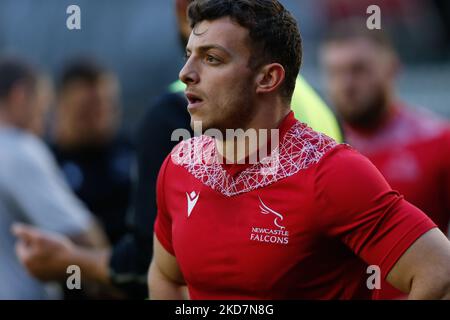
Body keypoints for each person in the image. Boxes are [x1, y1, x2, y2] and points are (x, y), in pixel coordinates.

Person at [11, 0, 345, 300]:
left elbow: (145, 267)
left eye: (210, 57)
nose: (187, 74)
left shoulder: (175, 113)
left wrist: (71, 261)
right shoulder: (313, 102)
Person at [148, 0, 450, 299]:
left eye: (212, 58)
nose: (186, 73)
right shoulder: (179, 165)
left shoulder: (333, 172)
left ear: (268, 78)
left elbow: (439, 271)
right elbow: (164, 274)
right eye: (189, 56)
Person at [319, 20, 450, 299]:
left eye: (359, 70)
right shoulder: (317, 151)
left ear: (392, 69)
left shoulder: (438, 143)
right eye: (335, 72)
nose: (346, 84)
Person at [0, 57, 107, 299]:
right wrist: (119, 281)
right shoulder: (19, 149)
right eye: (43, 104)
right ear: (20, 96)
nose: (46, 119)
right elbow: (80, 234)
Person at [49, 60, 134, 245]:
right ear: (61, 107)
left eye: (107, 106)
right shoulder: (47, 163)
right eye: (87, 109)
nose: (100, 117)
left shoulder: (134, 150)